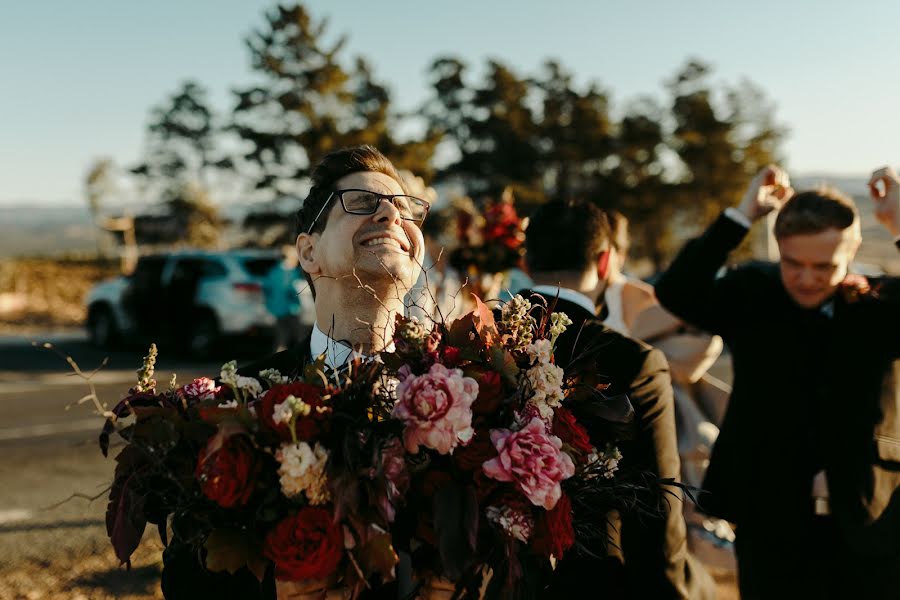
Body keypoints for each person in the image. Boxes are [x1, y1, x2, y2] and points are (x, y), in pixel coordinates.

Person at [160, 145, 430, 600]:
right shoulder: (234, 402)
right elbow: (186, 578)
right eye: (362, 203)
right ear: (308, 252)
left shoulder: (474, 394)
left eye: (405, 209)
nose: (390, 215)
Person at [655, 164, 900, 598]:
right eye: (793, 264)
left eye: (824, 266)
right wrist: (742, 215)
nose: (807, 279)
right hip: (768, 510)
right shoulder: (752, 292)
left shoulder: (881, 305)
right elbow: (677, 290)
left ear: (854, 247)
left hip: (870, 511)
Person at [519, 199, 714, 599]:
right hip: (590, 583)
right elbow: (654, 506)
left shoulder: (471, 343)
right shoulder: (634, 362)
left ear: (526, 264)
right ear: (606, 262)